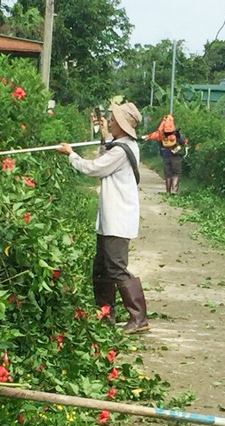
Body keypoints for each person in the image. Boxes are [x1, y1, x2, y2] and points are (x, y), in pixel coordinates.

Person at [57, 102, 149, 334]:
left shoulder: (121, 150)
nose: (113, 121)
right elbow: (104, 154)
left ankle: (139, 317)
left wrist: (71, 155)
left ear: (124, 126)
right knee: (101, 268)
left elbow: (94, 168)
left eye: (115, 120)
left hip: (118, 219)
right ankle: (105, 314)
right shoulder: (122, 145)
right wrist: (105, 134)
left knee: (117, 268)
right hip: (109, 217)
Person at [142, 114, 187, 195]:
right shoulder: (176, 133)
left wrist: (147, 137)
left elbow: (155, 138)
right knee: (176, 173)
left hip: (165, 155)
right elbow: (182, 142)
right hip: (176, 156)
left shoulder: (161, 133)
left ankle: (168, 192)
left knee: (168, 175)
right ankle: (175, 191)